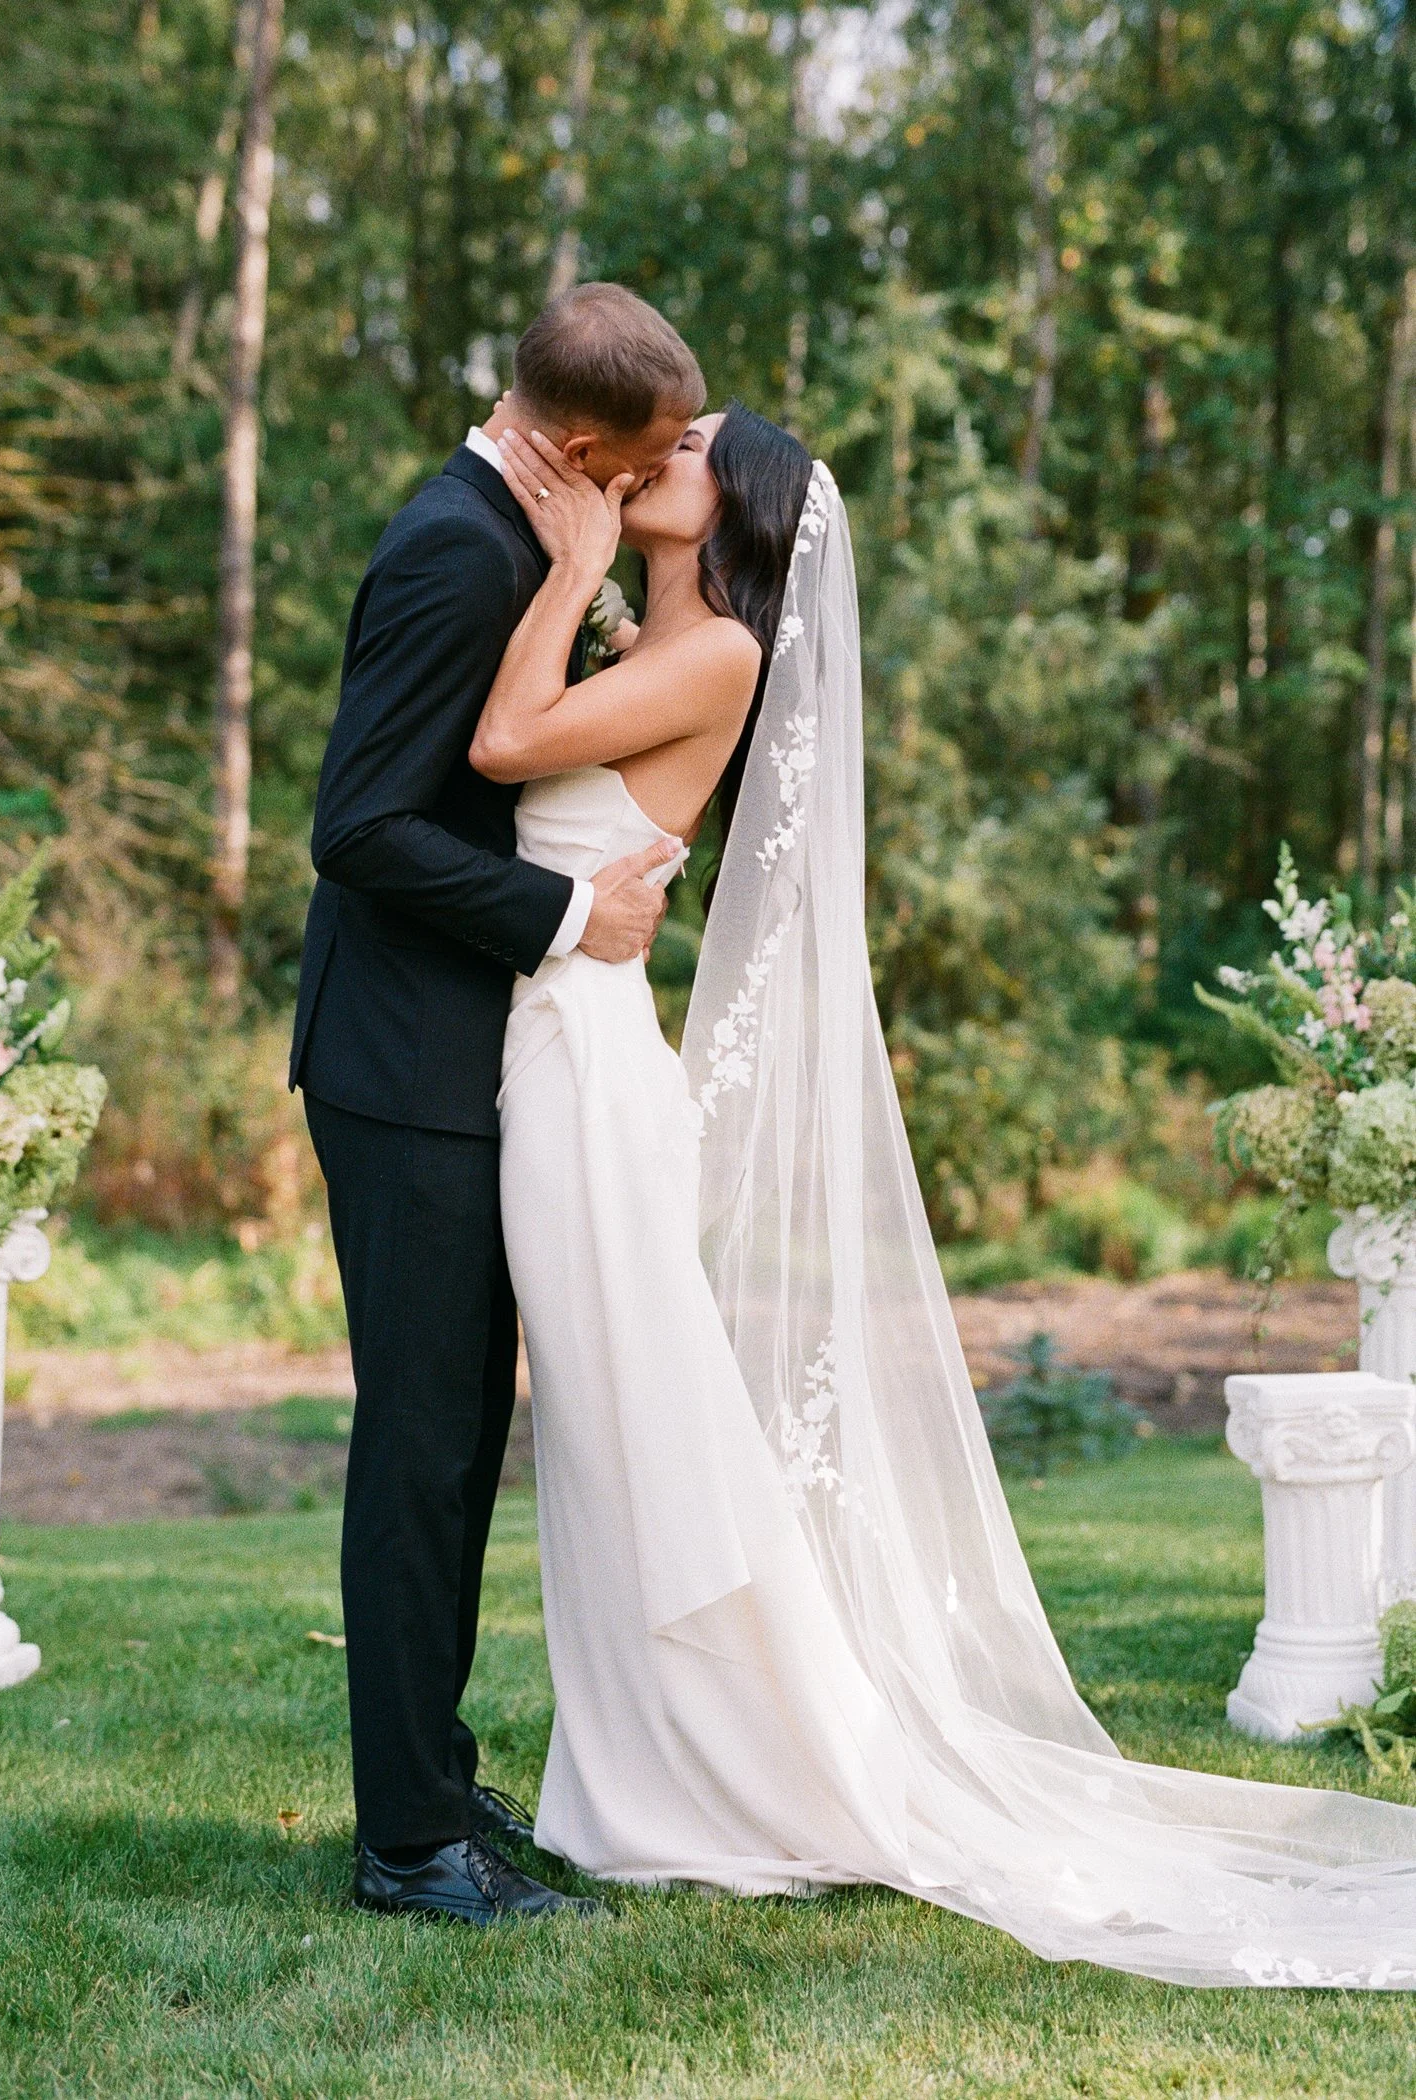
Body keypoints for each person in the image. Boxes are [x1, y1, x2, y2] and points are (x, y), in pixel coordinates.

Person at [469, 400, 1416, 1985]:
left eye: (687, 449)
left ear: (736, 509)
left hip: (584, 1077)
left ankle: (719, 1769)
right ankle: (652, 1762)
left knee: (638, 1417)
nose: (653, 454)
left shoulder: (716, 655)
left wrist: (567, 570)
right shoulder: (665, 643)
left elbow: (506, 746)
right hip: (565, 1052)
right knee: (620, 1417)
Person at [290, 283, 704, 1923]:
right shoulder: (458, 550)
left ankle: (435, 1784)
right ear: (586, 451)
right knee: (420, 1450)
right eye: (654, 455)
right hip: (404, 1069)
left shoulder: (517, 538)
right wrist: (566, 915)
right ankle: (407, 1846)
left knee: (460, 1443)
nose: (667, 475)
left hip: (468, 1063)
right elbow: (359, 825)